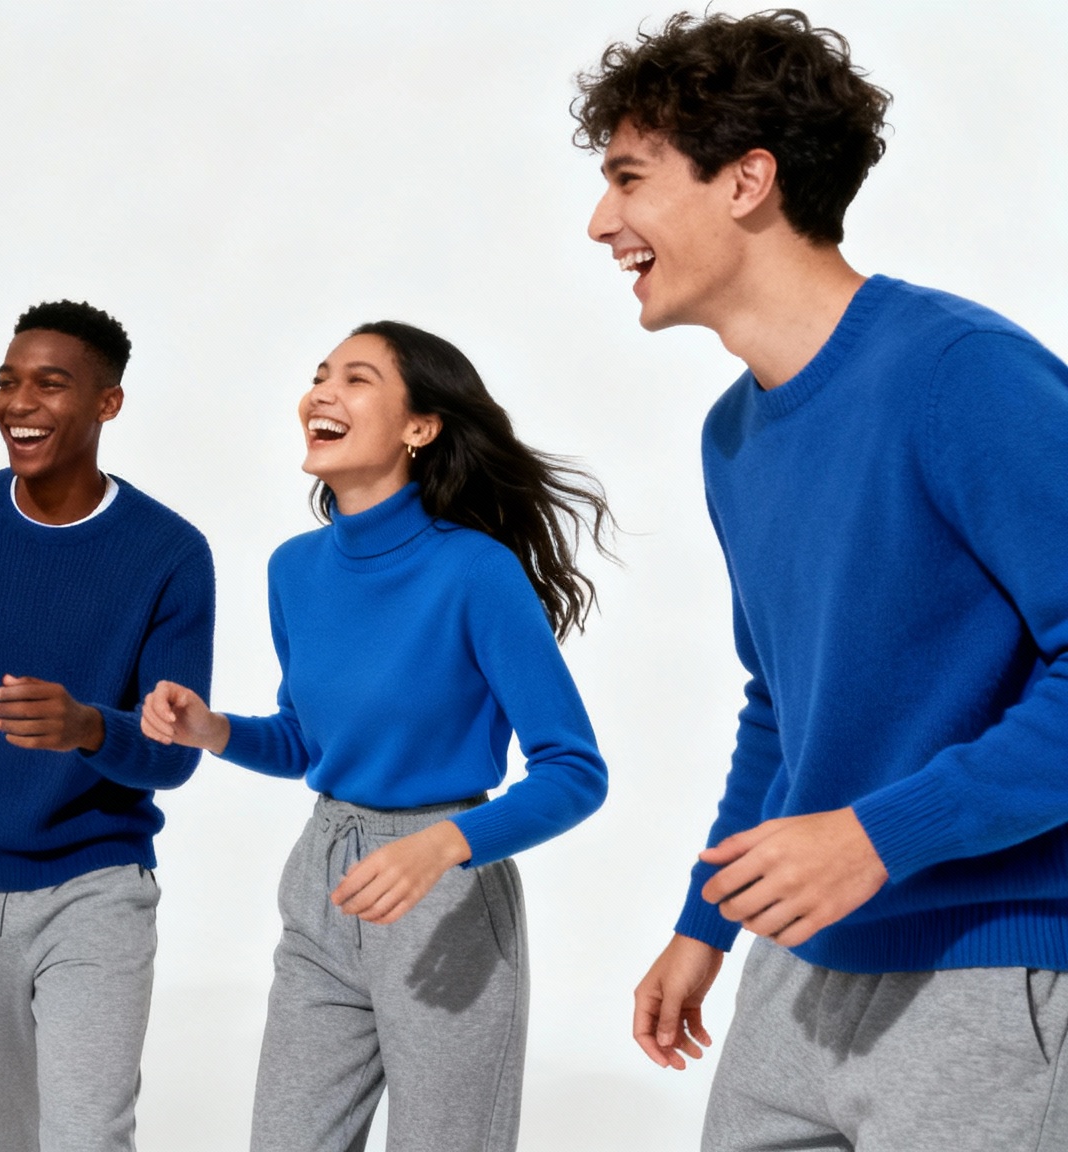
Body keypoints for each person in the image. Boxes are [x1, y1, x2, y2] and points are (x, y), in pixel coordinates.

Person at [578, 10, 1068, 1149]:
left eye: (629, 179)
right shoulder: (731, 435)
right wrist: (706, 920)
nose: (600, 221)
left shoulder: (962, 375)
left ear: (746, 180)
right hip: (795, 974)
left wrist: (880, 836)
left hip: (983, 973)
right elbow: (782, 707)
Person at [142, 321, 611, 1152]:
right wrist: (213, 730)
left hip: (447, 894)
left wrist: (446, 845)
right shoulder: (294, 568)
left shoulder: (476, 571)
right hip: (323, 881)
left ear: (419, 427)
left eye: (356, 379)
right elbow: (305, 740)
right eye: (320, 374)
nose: (322, 393)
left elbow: (574, 770)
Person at [0, 300, 216, 1152]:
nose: (19, 403)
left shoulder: (170, 553)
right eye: (8, 381)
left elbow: (174, 757)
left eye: (50, 384)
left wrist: (88, 727)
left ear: (108, 403)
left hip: (96, 885)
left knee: (86, 1136)